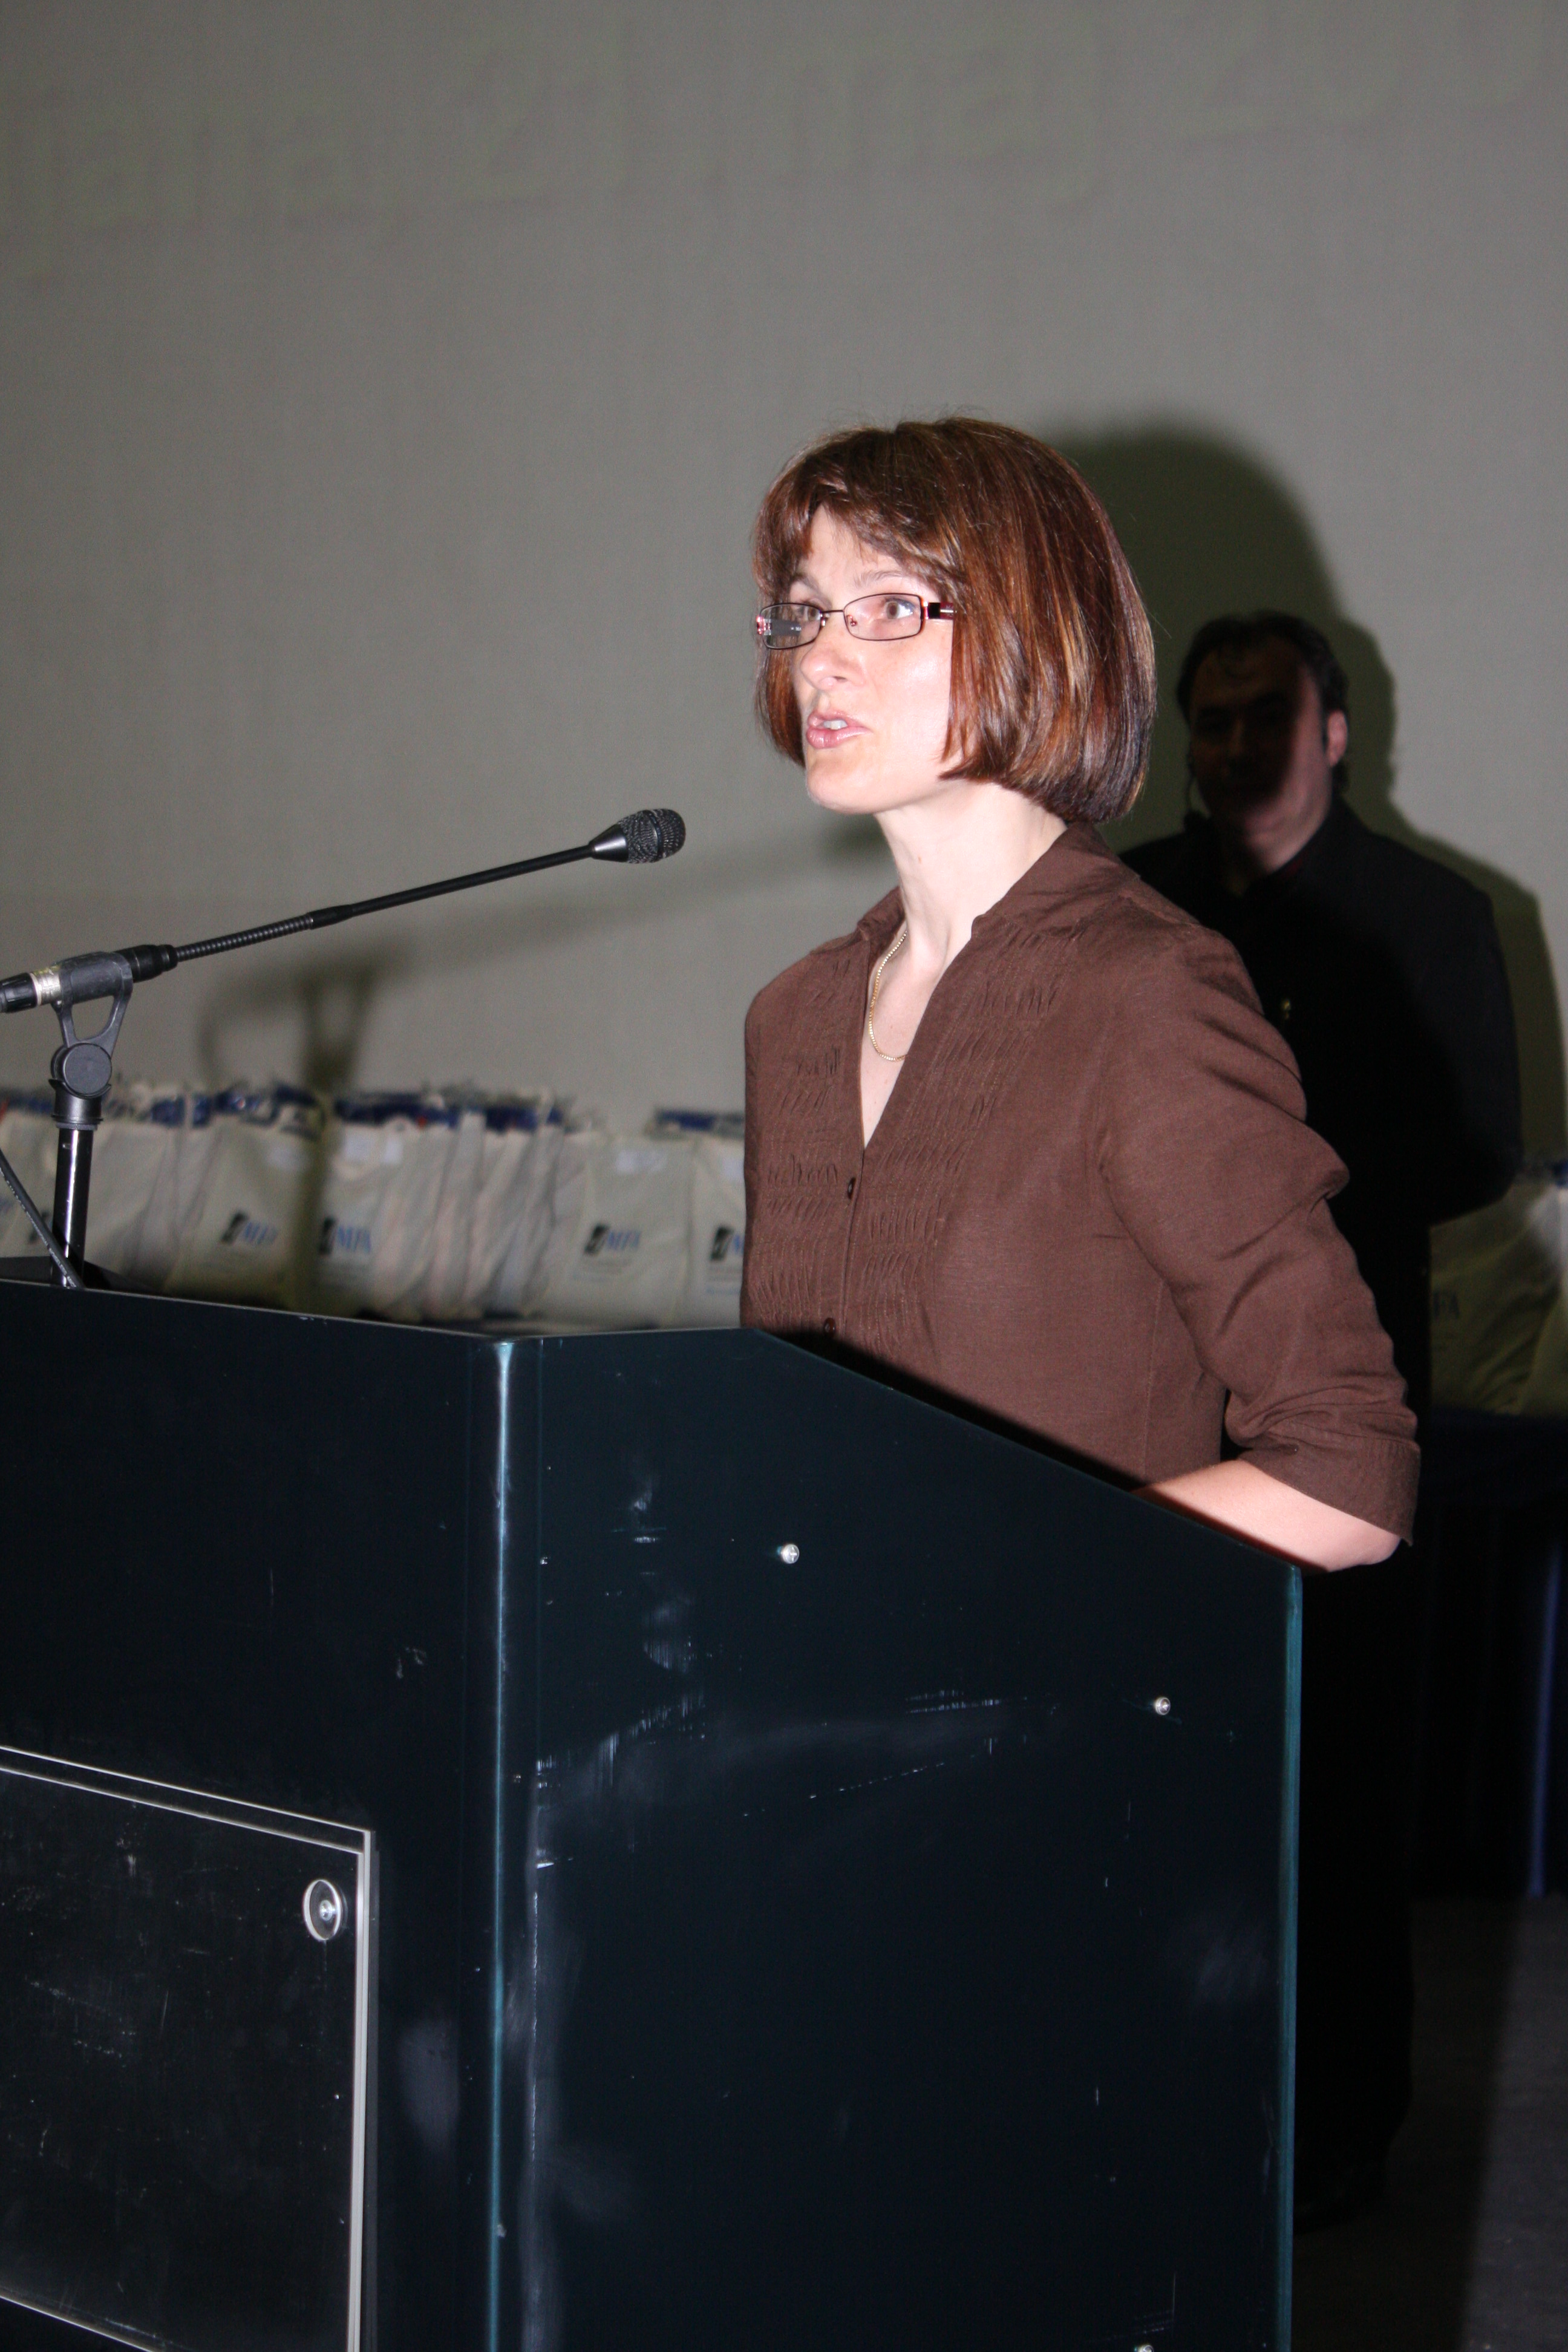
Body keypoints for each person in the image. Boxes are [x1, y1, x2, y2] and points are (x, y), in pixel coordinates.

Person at [741, 418, 1418, 1592]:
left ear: (1034, 632)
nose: (823, 660)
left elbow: (1349, 1472)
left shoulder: (1144, 997)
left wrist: (1019, 1582)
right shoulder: (794, 1019)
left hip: (1055, 1690)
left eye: (889, 607)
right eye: (805, 612)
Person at [1126, 613, 1522, 2226]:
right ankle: (1158, 2091)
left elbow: (1479, 1147)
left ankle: (1343, 2126)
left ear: (1337, 734)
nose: (1234, 748)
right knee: (1157, 1754)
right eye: (1210, 721)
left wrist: (1272, 1178)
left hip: (1340, 1396)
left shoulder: (1435, 916)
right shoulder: (1130, 904)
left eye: (1266, 718)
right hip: (1152, 1395)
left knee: (1344, 1771)